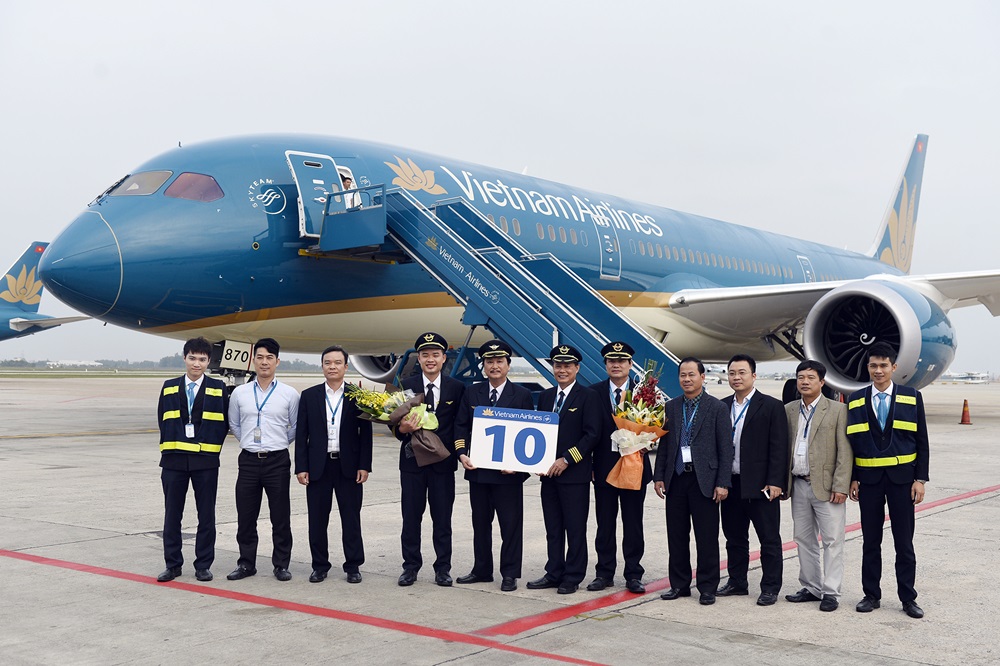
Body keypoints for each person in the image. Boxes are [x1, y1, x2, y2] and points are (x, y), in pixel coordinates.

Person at [847, 342, 929, 619]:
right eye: (873, 366)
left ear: (893, 367)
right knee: (871, 541)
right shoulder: (855, 399)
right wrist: (853, 478)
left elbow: (922, 442)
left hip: (902, 481)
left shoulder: (911, 396)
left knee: (904, 542)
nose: (878, 370)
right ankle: (871, 595)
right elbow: (853, 443)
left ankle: (908, 598)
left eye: (883, 365)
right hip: (868, 481)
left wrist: (920, 479)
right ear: (868, 368)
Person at [453, 339, 534, 592]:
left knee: (510, 525)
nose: (494, 366)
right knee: (480, 524)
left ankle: (509, 573)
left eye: (500, 361)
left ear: (509, 365)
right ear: (484, 365)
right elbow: (460, 426)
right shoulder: (472, 392)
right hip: (478, 472)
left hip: (508, 475)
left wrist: (520, 468)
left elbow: (531, 434)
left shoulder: (521, 395)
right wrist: (461, 453)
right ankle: (481, 570)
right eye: (490, 362)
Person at [653, 357, 733, 605]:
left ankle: (708, 587)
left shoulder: (717, 408)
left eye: (691, 375)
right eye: (682, 375)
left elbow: (725, 449)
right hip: (676, 479)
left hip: (705, 481)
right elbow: (665, 445)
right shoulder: (671, 407)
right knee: (676, 536)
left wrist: (723, 482)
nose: (686, 379)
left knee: (706, 537)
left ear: (702, 377)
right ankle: (679, 585)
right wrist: (658, 477)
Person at [295, 345, 373, 584]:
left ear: (346, 367)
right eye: (327, 363)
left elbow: (365, 434)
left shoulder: (357, 395)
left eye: (337, 363)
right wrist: (301, 467)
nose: (332, 367)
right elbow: (302, 434)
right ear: (322, 366)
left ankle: (353, 566)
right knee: (317, 520)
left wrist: (364, 466)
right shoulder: (309, 396)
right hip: (319, 466)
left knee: (351, 518)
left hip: (348, 466)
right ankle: (319, 565)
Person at [527, 345, 601, 595]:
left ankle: (573, 575)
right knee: (553, 528)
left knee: (575, 527)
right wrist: (538, 462)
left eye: (567, 366)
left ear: (577, 368)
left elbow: (592, 435)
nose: (562, 370)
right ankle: (554, 572)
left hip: (574, 475)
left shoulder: (588, 396)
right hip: (548, 475)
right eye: (558, 365)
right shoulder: (547, 396)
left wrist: (567, 459)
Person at [156, 337, 229, 583]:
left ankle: (203, 565)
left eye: (202, 359)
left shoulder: (219, 389)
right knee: (172, 515)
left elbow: (223, 424)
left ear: (208, 362)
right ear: (184, 358)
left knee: (206, 515)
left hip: (205, 462)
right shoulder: (168, 386)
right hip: (174, 461)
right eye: (192, 358)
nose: (197, 364)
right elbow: (162, 421)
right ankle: (173, 564)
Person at [395, 332, 465, 587]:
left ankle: (442, 568)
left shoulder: (457, 388)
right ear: (419, 358)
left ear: (444, 358)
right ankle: (410, 567)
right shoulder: (406, 385)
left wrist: (460, 452)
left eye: (436, 354)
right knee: (411, 517)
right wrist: (401, 429)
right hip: (412, 463)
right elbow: (392, 422)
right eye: (425, 355)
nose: (430, 359)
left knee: (442, 518)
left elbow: (461, 425)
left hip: (443, 465)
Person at [227, 338, 300, 581]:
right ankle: (246, 563)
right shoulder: (240, 393)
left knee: (280, 516)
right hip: (247, 460)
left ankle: (281, 564)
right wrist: (249, 441)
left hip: (277, 460)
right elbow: (234, 424)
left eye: (270, 357)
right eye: (260, 357)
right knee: (246, 516)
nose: (264, 362)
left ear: (277, 361)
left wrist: (278, 444)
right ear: (253, 360)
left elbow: (296, 427)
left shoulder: (289, 394)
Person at [717, 354, 788, 606]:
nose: (736, 377)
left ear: (753, 376)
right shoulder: (722, 406)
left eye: (742, 373)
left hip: (762, 485)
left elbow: (779, 448)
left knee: (769, 538)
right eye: (732, 373)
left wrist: (776, 482)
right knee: (734, 538)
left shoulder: (770, 405)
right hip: (731, 484)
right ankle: (737, 582)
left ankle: (770, 587)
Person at [783, 359, 852, 612]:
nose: (804, 382)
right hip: (798, 484)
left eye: (810, 378)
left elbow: (845, 452)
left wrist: (841, 485)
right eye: (801, 377)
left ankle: (831, 592)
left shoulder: (837, 410)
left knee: (832, 541)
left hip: (826, 487)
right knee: (803, 538)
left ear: (822, 382)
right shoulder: (789, 409)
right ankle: (811, 587)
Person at [586, 341, 650, 594]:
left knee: (633, 523)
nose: (616, 365)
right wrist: (590, 464)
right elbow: (589, 432)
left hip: (635, 467)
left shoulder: (645, 392)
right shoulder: (593, 393)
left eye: (621, 361)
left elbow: (654, 426)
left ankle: (634, 574)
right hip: (603, 469)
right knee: (605, 523)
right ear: (605, 365)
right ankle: (604, 573)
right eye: (611, 361)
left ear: (630, 365)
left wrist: (647, 441)